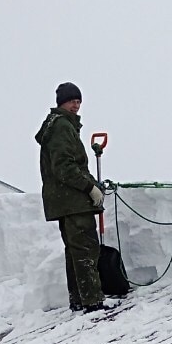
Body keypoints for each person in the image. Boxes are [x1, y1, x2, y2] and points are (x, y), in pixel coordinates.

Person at [35, 82, 106, 313]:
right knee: (85, 250)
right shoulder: (62, 126)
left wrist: (93, 184)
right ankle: (92, 301)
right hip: (73, 201)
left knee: (76, 251)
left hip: (65, 201)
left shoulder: (58, 126)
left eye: (78, 101)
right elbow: (64, 167)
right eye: (72, 101)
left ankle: (79, 299)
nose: (76, 105)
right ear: (62, 103)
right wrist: (89, 188)